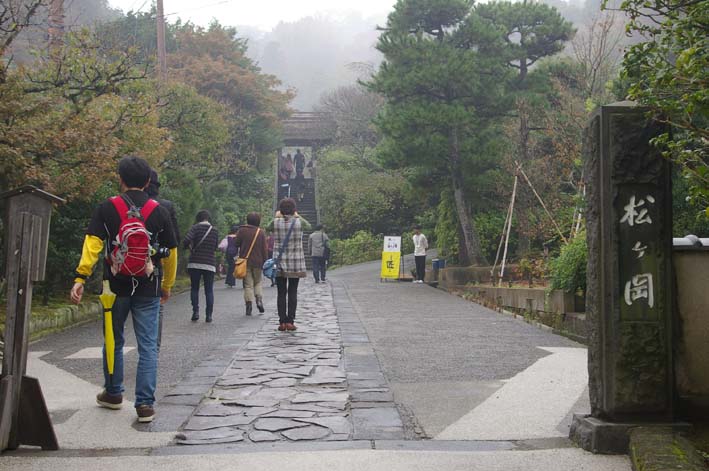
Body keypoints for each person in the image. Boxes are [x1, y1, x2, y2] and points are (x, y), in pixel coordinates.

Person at [70, 155, 177, 423]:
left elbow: (92, 245)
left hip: (113, 287)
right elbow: (171, 253)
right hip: (148, 286)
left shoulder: (107, 208)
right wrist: (167, 285)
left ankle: (114, 393)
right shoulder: (159, 210)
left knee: (113, 340)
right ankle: (144, 405)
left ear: (120, 179)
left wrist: (80, 278)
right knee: (148, 346)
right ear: (148, 181)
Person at [146, 169, 180, 354]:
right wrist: (168, 284)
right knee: (154, 310)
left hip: (121, 272)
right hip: (153, 271)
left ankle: (114, 369)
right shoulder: (164, 206)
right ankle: (153, 354)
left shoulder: (120, 204)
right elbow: (173, 244)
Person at [267, 198, 311, 331]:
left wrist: (278, 216)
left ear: (280, 209)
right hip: (295, 262)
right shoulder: (299, 221)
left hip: (279, 262)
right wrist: (297, 215)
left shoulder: (275, 222)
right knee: (293, 292)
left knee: (281, 293)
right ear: (294, 209)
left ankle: (282, 322)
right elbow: (309, 226)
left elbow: (267, 227)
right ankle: (290, 321)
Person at [183, 210, 219, 322]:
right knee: (209, 290)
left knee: (195, 288)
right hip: (209, 263)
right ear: (208, 218)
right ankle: (209, 315)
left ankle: (196, 312)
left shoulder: (195, 228)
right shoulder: (214, 231)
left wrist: (189, 247)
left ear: (198, 218)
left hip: (195, 262)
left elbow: (186, 240)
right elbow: (215, 247)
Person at [235, 212, 268, 316]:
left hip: (245, 261)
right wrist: (265, 261)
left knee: (248, 285)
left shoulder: (242, 230)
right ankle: (258, 299)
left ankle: (248, 305)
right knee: (257, 282)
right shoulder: (261, 232)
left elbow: (236, 243)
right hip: (258, 262)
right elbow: (264, 249)